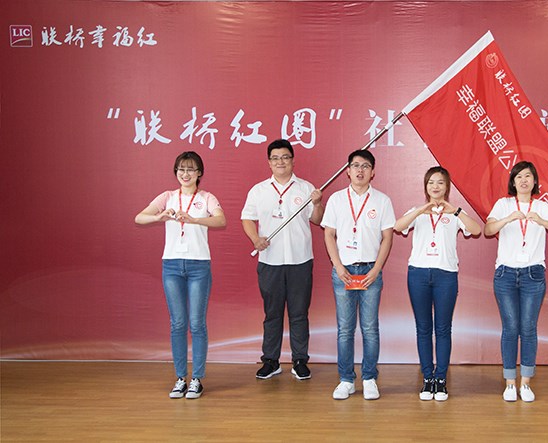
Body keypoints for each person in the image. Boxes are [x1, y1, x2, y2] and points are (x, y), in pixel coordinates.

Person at [135, 151, 226, 399]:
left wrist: (195, 220)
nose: (185, 174)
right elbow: (139, 217)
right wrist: (159, 216)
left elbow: (221, 221)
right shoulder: (167, 197)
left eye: (190, 169)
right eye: (181, 170)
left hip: (199, 265)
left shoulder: (206, 198)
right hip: (172, 265)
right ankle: (180, 378)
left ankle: (196, 379)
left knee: (197, 323)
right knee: (177, 323)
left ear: (199, 173)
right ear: (176, 172)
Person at [393, 166, 481, 401]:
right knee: (423, 328)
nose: (435, 186)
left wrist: (457, 211)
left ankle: (441, 379)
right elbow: (398, 226)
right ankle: (427, 378)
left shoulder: (454, 213)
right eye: (431, 182)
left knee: (443, 329)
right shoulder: (418, 211)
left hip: (446, 276)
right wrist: (420, 210)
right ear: (425, 186)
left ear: (447, 187)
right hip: (418, 274)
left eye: (440, 182)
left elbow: (476, 230)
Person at [241, 139, 323, 381]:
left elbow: (317, 219)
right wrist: (255, 239)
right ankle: (271, 360)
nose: (280, 162)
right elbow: (247, 218)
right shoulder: (258, 190)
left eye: (285, 157)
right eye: (275, 158)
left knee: (299, 314)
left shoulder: (306, 188)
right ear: (269, 162)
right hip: (270, 261)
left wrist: (317, 203)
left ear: (292, 160)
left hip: (300, 260)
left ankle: (300, 360)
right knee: (272, 314)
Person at [483, 160, 548, 402]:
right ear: (513, 181)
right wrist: (508, 219)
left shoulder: (542, 206)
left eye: (528, 176)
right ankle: (510, 382)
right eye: (519, 176)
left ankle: (526, 383)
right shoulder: (503, 204)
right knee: (510, 328)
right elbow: (488, 230)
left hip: (533, 274)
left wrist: (542, 221)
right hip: (506, 274)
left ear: (534, 180)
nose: (523, 180)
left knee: (528, 328)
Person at [321, 149, 395, 400]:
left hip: (370, 271)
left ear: (373, 172)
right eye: (355, 165)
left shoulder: (382, 201)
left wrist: (376, 269)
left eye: (365, 166)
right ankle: (346, 379)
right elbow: (329, 234)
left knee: (370, 328)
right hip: (343, 271)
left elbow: (387, 237)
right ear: (348, 171)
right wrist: (338, 266)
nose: (360, 170)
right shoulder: (336, 199)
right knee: (345, 329)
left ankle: (369, 378)